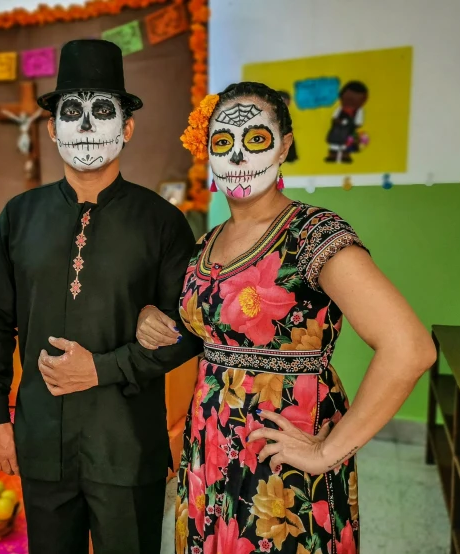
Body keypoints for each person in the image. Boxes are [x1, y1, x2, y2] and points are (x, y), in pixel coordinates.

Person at [137, 82, 435, 553]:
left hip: (283, 460)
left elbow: (410, 348)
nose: (236, 155)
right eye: (222, 142)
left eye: (255, 138)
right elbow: (203, 327)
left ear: (285, 145)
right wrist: (151, 317)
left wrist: (328, 450)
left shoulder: (312, 234)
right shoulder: (206, 243)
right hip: (210, 449)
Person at [0, 39, 200, 554]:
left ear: (127, 127)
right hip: (41, 442)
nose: (86, 126)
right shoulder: (19, 216)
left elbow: (190, 331)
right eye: (71, 112)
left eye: (102, 111)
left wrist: (102, 369)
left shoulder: (162, 222)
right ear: (52, 128)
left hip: (125, 446)